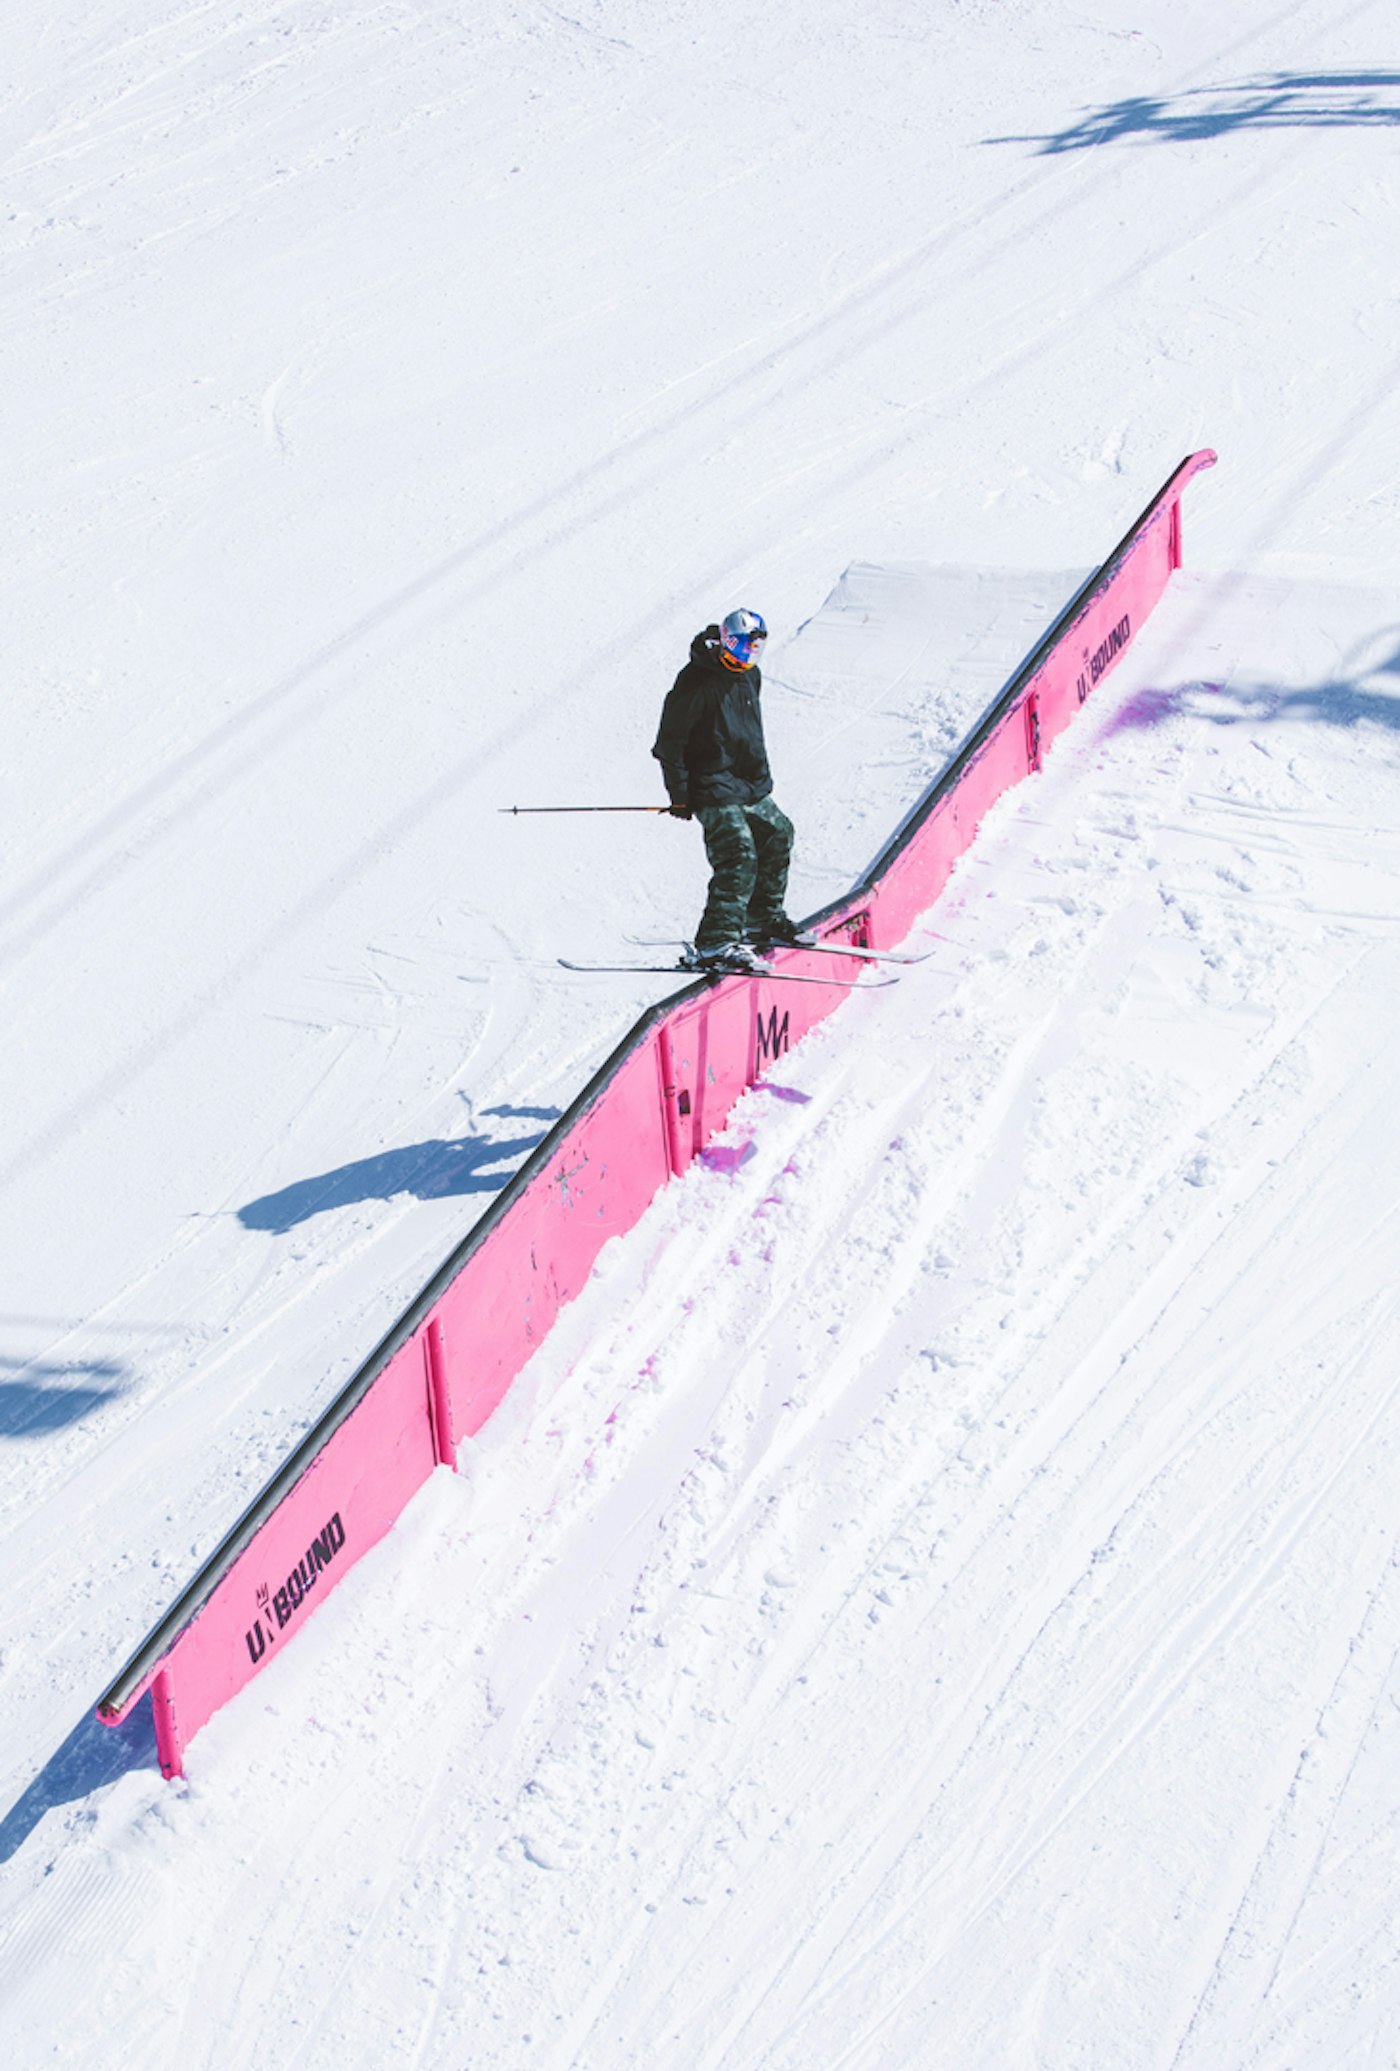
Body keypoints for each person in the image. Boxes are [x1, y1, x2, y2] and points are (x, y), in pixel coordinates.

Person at [652, 608, 801, 972]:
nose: (749, 655)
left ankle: (762, 918)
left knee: (779, 833)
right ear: (727, 641)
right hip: (712, 784)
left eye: (756, 648)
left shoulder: (751, 675)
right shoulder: (696, 680)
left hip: (747, 782)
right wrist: (680, 795)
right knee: (738, 851)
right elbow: (669, 742)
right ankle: (715, 942)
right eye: (743, 646)